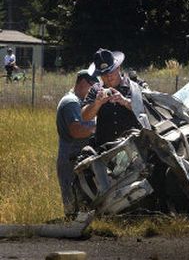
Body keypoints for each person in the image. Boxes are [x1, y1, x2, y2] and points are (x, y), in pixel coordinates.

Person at [56, 69, 98, 216]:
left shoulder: (80, 102)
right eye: (92, 86)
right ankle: (70, 228)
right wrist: (97, 129)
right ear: (83, 83)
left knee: (83, 198)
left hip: (78, 157)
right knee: (72, 201)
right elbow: (76, 131)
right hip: (71, 158)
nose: (93, 90)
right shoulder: (71, 102)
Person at [82, 48, 142, 147]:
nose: (108, 77)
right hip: (105, 149)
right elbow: (84, 117)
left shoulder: (135, 86)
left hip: (133, 146)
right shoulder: (95, 90)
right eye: (104, 74)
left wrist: (125, 101)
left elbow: (145, 110)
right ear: (99, 75)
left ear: (118, 68)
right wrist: (97, 104)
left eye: (111, 71)